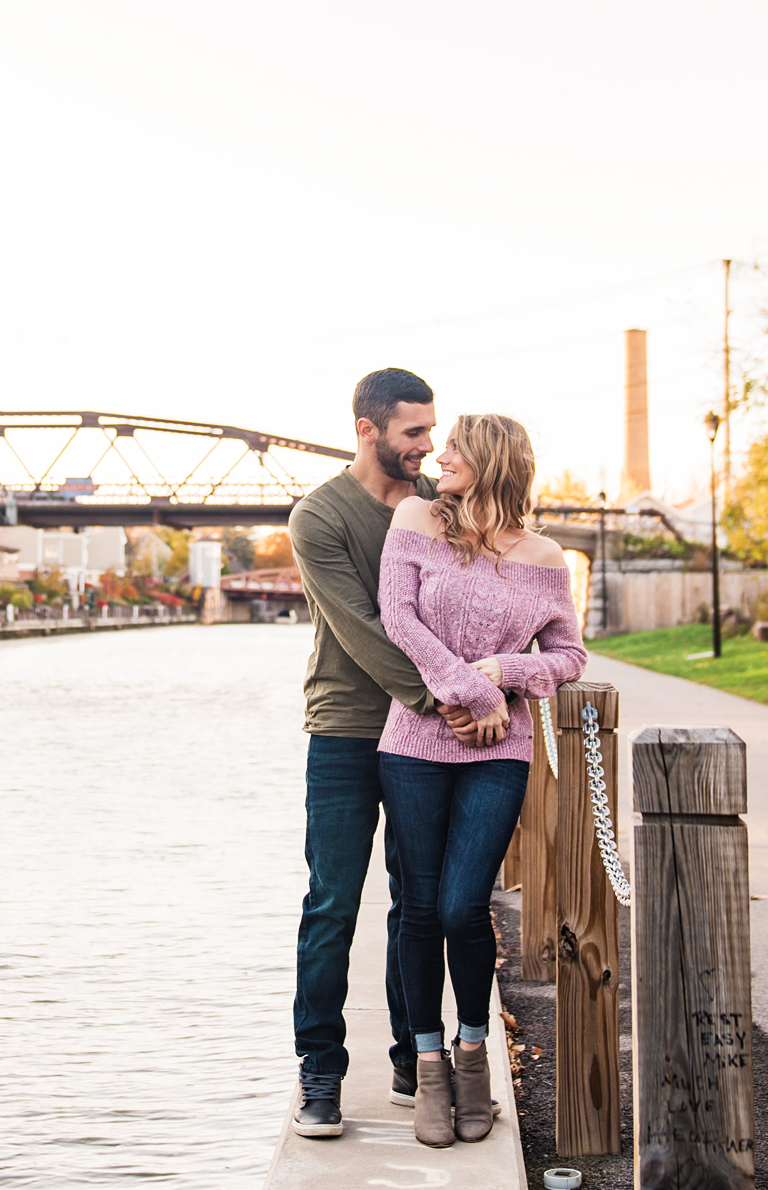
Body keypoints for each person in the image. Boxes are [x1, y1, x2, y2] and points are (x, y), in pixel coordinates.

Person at [377, 413, 585, 1148]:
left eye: (457, 446)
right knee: (422, 906)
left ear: (493, 459)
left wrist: (504, 674)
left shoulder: (544, 554)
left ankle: (472, 1051)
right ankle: (428, 1062)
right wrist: (467, 691)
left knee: (467, 905)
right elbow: (397, 617)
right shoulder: (417, 518)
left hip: (500, 748)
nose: (442, 454)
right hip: (414, 743)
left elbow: (567, 656)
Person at [285, 368, 462, 1138]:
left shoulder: (440, 511)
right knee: (333, 904)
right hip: (349, 729)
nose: (428, 445)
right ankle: (320, 1072)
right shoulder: (319, 516)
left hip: (425, 735)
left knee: (416, 903)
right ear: (368, 429)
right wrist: (443, 697)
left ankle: (409, 1057)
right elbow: (359, 628)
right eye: (413, 432)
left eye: (431, 430)